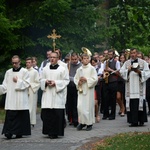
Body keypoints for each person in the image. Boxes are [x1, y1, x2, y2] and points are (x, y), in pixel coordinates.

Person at [0, 55, 31, 139]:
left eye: (16, 63)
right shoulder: (8, 72)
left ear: (20, 62)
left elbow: (27, 84)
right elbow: (5, 85)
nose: (14, 64)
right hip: (11, 97)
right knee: (10, 115)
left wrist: (18, 81)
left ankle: (19, 132)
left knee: (20, 116)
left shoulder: (25, 72)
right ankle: (9, 132)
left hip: (21, 97)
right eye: (13, 63)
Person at [40, 52, 69, 139]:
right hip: (48, 94)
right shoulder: (45, 69)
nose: (52, 59)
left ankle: (55, 132)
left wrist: (55, 83)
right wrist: (45, 82)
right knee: (47, 114)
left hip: (57, 94)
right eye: (51, 57)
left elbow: (66, 80)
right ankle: (48, 131)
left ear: (58, 58)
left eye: (54, 57)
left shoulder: (62, 69)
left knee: (56, 114)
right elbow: (40, 79)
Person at [120, 48, 150, 127]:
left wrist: (140, 72)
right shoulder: (126, 63)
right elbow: (121, 72)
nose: (133, 54)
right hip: (130, 88)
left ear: (137, 53)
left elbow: (147, 73)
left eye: (134, 53)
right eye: (131, 53)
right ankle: (133, 121)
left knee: (140, 103)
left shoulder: (143, 63)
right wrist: (128, 70)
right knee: (132, 104)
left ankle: (141, 121)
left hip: (139, 87)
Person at [74, 53, 98, 131]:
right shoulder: (79, 69)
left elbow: (95, 79)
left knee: (88, 107)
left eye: (87, 58)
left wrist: (87, 80)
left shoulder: (92, 69)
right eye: (84, 58)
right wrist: (79, 82)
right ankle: (82, 122)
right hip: (81, 90)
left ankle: (89, 123)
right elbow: (75, 79)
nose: (86, 60)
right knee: (80, 107)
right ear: (81, 59)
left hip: (88, 90)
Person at [102, 49, 121, 120]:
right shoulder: (105, 62)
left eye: (111, 54)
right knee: (105, 98)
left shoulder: (117, 62)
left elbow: (118, 72)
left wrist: (110, 70)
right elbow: (103, 70)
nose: (109, 56)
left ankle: (112, 115)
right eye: (108, 54)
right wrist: (104, 74)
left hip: (113, 81)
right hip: (106, 81)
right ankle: (105, 114)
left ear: (113, 55)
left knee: (113, 98)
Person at [66, 52, 82, 127]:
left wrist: (71, 78)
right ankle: (70, 119)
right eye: (73, 59)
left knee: (75, 104)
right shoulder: (68, 65)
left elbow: (78, 77)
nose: (74, 61)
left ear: (78, 58)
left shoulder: (80, 66)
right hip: (69, 86)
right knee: (70, 104)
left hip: (76, 87)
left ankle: (76, 120)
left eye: (75, 59)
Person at [26, 57, 40, 127]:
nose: (27, 64)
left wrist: (30, 85)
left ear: (32, 63)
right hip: (25, 90)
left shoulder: (35, 72)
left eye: (29, 62)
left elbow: (38, 82)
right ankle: (25, 121)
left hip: (32, 90)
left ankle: (31, 121)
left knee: (31, 107)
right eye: (27, 62)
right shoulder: (23, 71)